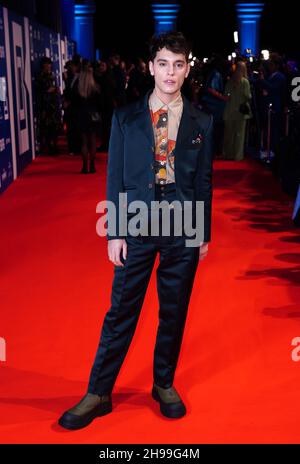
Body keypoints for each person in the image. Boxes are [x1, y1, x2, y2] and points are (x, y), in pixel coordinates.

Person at [58, 31, 213, 430]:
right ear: (151, 67)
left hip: (183, 226)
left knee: (173, 312)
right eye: (163, 63)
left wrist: (202, 233)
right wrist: (114, 232)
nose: (170, 72)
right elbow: (115, 177)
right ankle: (98, 392)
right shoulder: (125, 117)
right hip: (138, 221)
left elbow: (204, 181)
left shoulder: (202, 120)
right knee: (122, 309)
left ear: (186, 69)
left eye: (178, 64)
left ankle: (163, 384)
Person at [223, 61, 252, 160]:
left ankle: (228, 154)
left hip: (230, 110)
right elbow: (248, 96)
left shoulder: (230, 80)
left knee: (229, 134)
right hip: (241, 111)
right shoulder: (245, 82)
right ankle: (237, 156)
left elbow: (226, 95)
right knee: (239, 135)